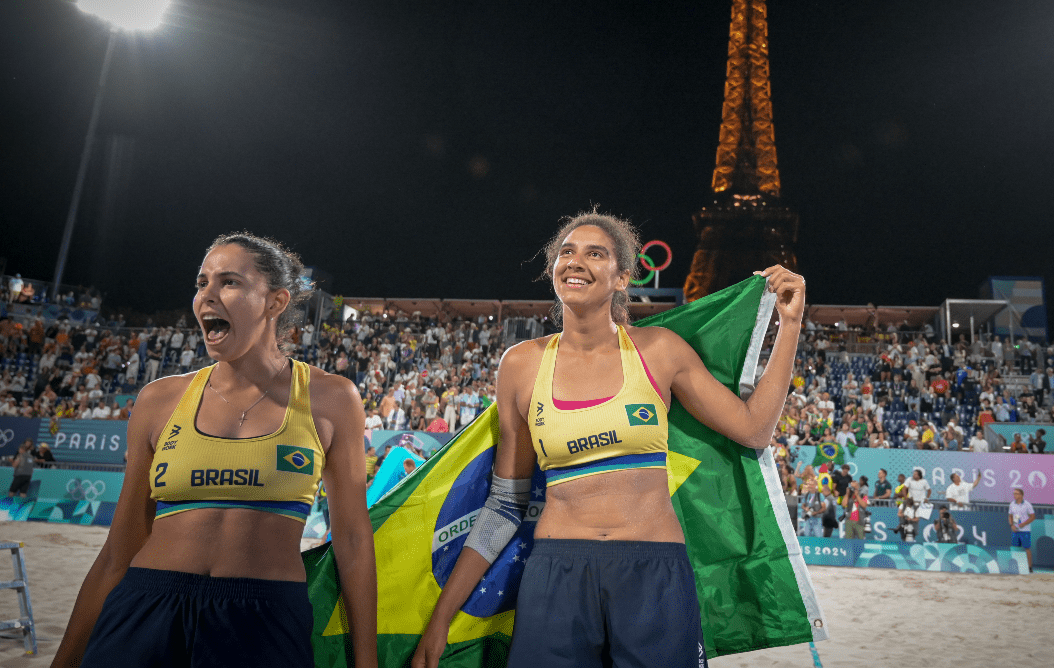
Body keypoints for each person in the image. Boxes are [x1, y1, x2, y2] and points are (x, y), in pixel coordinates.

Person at [411, 211, 806, 668]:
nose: (576, 262)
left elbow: (754, 427)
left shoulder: (659, 351)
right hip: (556, 570)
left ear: (622, 278)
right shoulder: (519, 366)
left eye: (594, 253)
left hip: (652, 569)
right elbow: (504, 503)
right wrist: (441, 617)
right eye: (566, 252)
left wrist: (790, 325)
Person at [53, 233, 377, 668]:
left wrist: (366, 658)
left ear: (275, 302)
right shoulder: (159, 400)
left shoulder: (332, 398)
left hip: (265, 620)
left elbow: (353, 542)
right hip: (145, 607)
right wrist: (65, 659)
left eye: (228, 282)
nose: (207, 296)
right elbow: (119, 549)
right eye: (201, 283)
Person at [1008, 488, 1035, 569]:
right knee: (1016, 549)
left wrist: (1023, 524)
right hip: (1016, 530)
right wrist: (1012, 525)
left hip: (1025, 530)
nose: (1014, 495)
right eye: (1014, 493)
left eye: (1016, 493)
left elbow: (1033, 517)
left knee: (1027, 549)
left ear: (1021, 495)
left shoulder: (1027, 504)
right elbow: (1011, 516)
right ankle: (1018, 567)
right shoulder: (1012, 504)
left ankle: (1029, 567)